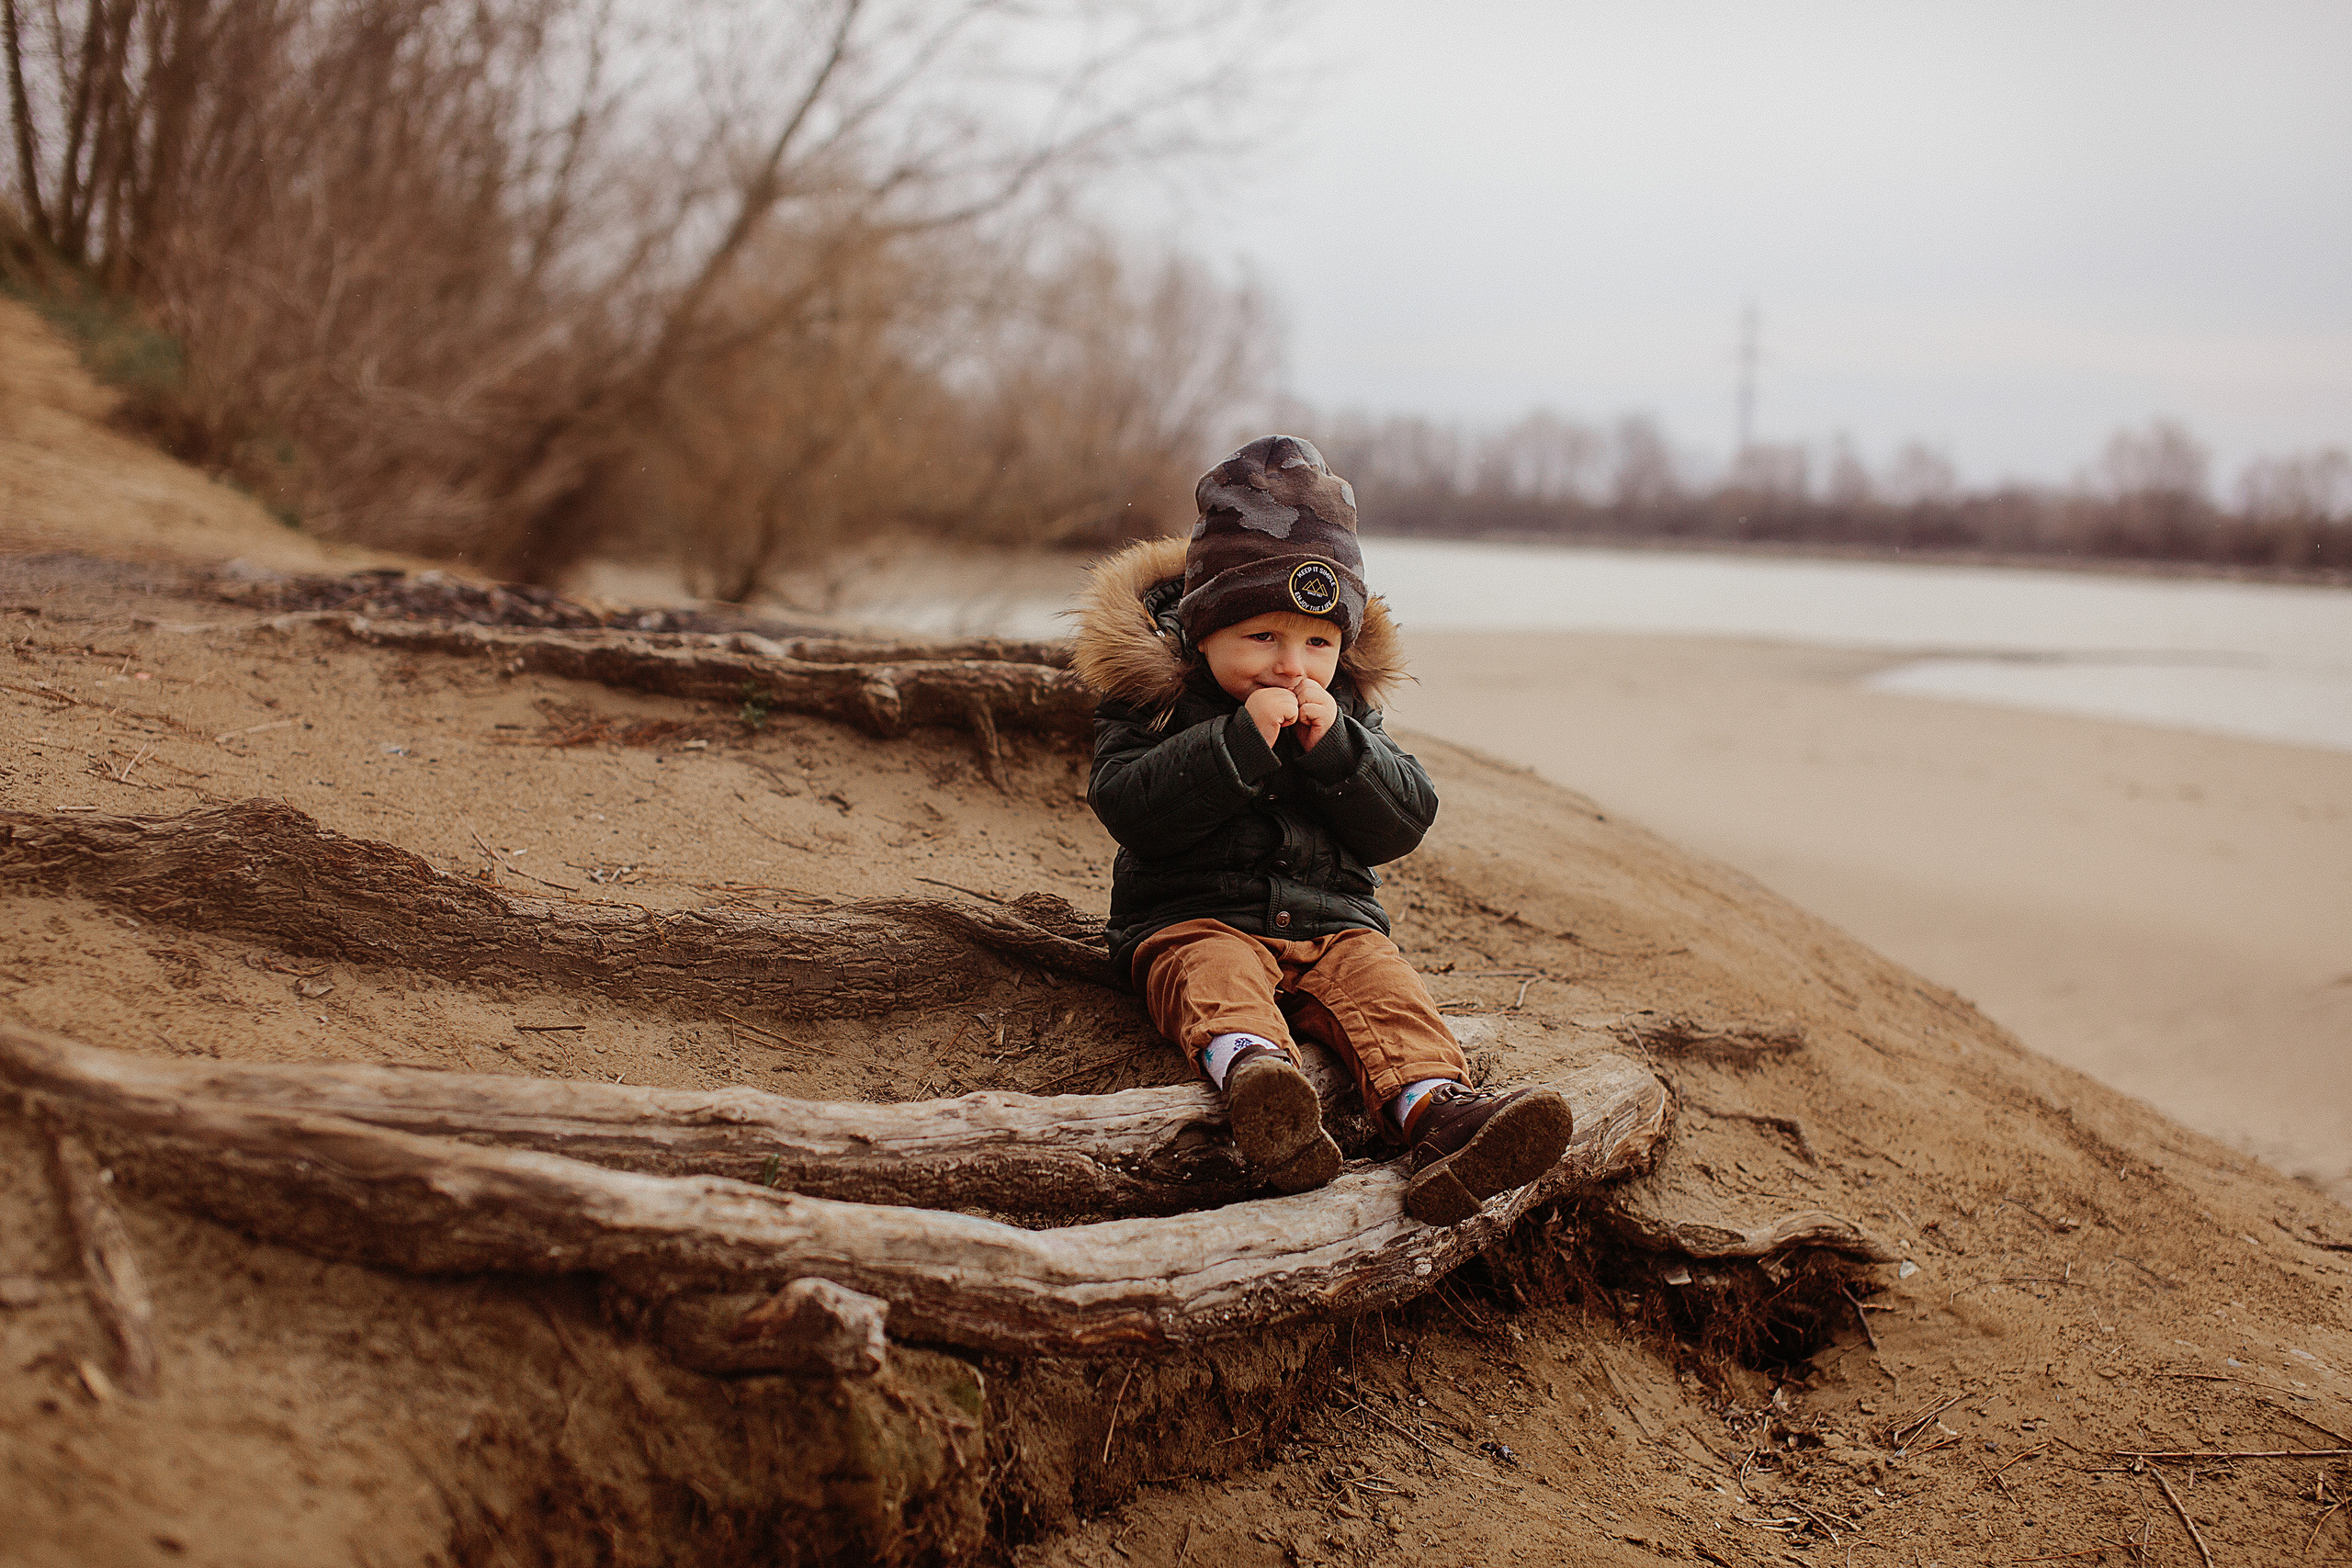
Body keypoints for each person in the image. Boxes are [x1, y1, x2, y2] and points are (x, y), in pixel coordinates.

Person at [1071, 434, 1573, 1224]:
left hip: (1332, 925)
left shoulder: (1346, 712)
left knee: (1383, 985)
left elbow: (1405, 818)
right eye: (1261, 638)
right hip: (1192, 912)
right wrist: (1234, 744)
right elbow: (1128, 803)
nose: (1291, 667)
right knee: (1211, 972)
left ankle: (1438, 1115)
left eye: (1317, 642)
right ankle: (1261, 1080)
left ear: (1343, 644)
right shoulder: (1155, 699)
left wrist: (1338, 747)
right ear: (1203, 631)